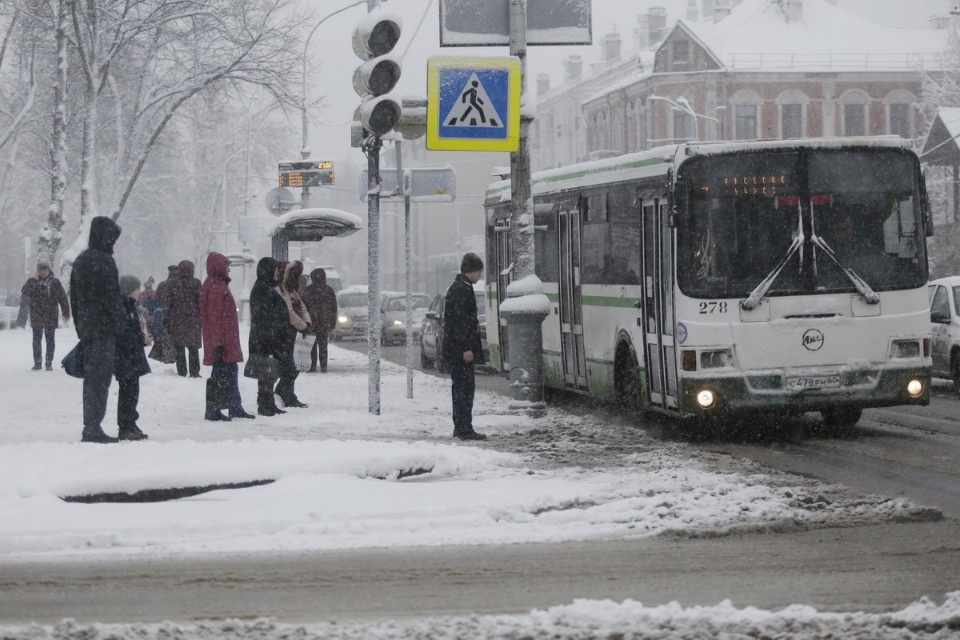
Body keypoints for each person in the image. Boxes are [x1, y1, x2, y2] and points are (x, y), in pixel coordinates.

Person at [70, 216, 126, 444]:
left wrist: (80, 326)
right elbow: (111, 297)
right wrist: (121, 323)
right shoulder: (105, 261)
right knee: (100, 379)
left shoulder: (81, 260)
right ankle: (93, 428)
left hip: (88, 328)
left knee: (91, 378)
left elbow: (74, 297)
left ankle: (90, 425)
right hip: (104, 329)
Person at [201, 252, 255, 421]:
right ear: (219, 267)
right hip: (223, 340)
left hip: (223, 339)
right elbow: (215, 318)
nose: (229, 271)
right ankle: (219, 409)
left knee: (226, 373)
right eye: (227, 267)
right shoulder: (217, 287)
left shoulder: (214, 285)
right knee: (224, 374)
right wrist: (218, 344)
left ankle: (229, 407)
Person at [442, 252, 487, 441]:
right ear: (473, 271)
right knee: (464, 389)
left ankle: (462, 426)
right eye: (479, 272)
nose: (480, 276)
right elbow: (461, 322)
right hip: (461, 351)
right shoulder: (462, 289)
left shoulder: (459, 287)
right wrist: (466, 348)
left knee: (461, 388)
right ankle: (463, 427)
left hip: (456, 349)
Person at [249, 257, 289, 417]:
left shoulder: (266, 287)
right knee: (266, 372)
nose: (277, 273)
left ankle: (268, 403)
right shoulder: (262, 289)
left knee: (269, 372)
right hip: (265, 338)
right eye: (275, 269)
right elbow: (266, 316)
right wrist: (275, 332)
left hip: (267, 337)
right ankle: (265, 405)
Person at [114, 275, 151, 441]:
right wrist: (141, 339)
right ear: (129, 290)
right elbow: (122, 336)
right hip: (125, 358)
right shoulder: (122, 308)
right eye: (137, 289)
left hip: (131, 357)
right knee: (127, 394)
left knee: (132, 392)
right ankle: (125, 426)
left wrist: (141, 339)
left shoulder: (130, 306)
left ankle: (131, 424)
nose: (140, 292)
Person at [21, 260, 70, 371]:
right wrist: (34, 281)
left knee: (50, 340)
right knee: (36, 340)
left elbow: (63, 298)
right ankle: (37, 363)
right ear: (37, 271)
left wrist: (66, 313)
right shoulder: (32, 281)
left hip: (51, 315)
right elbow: (24, 292)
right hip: (36, 315)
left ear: (48, 270)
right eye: (41, 270)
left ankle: (49, 363)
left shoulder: (55, 282)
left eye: (45, 270)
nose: (43, 272)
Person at [275, 260, 311, 408]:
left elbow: (302, 308)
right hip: (286, 334)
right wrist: (303, 326)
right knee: (290, 366)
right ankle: (286, 393)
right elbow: (289, 312)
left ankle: (286, 392)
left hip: (295, 333)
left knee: (296, 364)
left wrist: (307, 323)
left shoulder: (292, 291)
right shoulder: (281, 290)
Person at [163, 260, 203, 378]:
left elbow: (167, 302)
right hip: (193, 320)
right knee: (193, 346)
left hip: (177, 319)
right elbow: (200, 302)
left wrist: (166, 318)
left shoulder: (172, 283)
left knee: (179, 346)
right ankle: (194, 372)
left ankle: (181, 371)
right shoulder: (196, 283)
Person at [302, 268, 337, 373]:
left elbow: (303, 307)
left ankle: (313, 366)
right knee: (323, 345)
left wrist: (304, 322)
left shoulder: (308, 290)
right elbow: (333, 309)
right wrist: (332, 323)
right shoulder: (329, 290)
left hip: (311, 322)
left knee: (312, 345)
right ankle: (323, 366)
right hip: (324, 323)